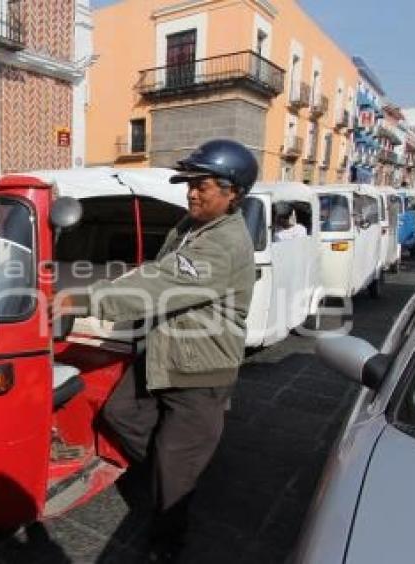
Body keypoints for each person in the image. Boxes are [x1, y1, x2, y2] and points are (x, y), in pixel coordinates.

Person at [57, 139, 256, 559]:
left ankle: (166, 542)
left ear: (233, 191)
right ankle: (176, 469)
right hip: (163, 353)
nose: (192, 192)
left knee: (174, 465)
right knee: (119, 413)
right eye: (190, 184)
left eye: (202, 185)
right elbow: (157, 270)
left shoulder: (222, 243)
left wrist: (83, 300)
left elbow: (160, 286)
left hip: (200, 368)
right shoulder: (189, 227)